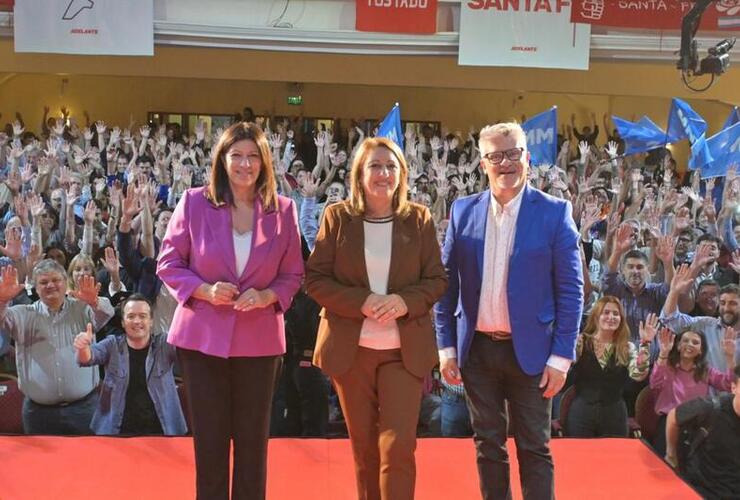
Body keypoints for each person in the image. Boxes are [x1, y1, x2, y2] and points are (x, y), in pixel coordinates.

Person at [434, 122, 583, 500]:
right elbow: (446, 285)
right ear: (483, 163)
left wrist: (561, 357)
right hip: (478, 351)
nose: (506, 163)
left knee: (534, 447)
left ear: (527, 158)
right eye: (496, 156)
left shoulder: (555, 212)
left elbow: (571, 291)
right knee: (488, 445)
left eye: (513, 153)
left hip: (533, 354)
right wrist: (446, 348)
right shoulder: (463, 211)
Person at [156, 122, 304, 500]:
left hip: (259, 343)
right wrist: (204, 290)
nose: (245, 163)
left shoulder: (284, 210)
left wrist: (268, 296)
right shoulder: (193, 202)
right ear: (222, 160)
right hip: (202, 342)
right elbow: (169, 263)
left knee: (254, 446)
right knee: (210, 442)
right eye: (236, 155)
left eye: (253, 156)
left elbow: (293, 275)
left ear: (265, 163)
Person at [306, 136, 447, 500]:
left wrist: (403, 301)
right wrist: (362, 301)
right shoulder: (337, 217)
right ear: (359, 174)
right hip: (351, 353)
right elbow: (315, 279)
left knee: (399, 447)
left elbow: (436, 280)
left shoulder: (419, 218)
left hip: (404, 352)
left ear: (401, 174)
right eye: (375, 166)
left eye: (391, 167)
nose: (383, 173)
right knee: (365, 450)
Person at [0, 260, 114, 434]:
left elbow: (107, 312)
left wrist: (95, 302)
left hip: (85, 409)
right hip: (38, 413)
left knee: (88, 460)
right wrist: (2, 300)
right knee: (40, 462)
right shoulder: (22, 314)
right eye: (44, 282)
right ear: (36, 288)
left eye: (56, 280)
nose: (50, 285)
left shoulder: (83, 309)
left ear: (65, 282)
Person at [72, 293, 186, 436]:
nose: (137, 321)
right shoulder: (112, 344)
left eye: (142, 316)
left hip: (162, 431)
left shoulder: (164, 343)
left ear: (151, 321)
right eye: (131, 316)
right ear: (123, 322)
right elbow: (86, 359)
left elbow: (188, 351)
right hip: (117, 432)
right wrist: (83, 347)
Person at [565, 297, 652, 437]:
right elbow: (566, 366)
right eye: (606, 312)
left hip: (614, 413)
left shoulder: (627, 347)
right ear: (596, 316)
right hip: (582, 412)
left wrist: (645, 343)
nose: (611, 317)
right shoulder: (581, 341)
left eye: (615, 314)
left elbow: (638, 375)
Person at [649, 326, 736, 456]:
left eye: (695, 342)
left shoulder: (705, 371)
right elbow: (654, 384)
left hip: (695, 426)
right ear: (678, 345)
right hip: (668, 424)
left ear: (700, 350)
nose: (689, 344)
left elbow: (729, 385)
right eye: (685, 340)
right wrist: (663, 354)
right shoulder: (666, 366)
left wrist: (730, 357)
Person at [664, 365, 740, 499]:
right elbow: (673, 417)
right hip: (703, 488)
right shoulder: (711, 408)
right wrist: (671, 454)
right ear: (734, 387)